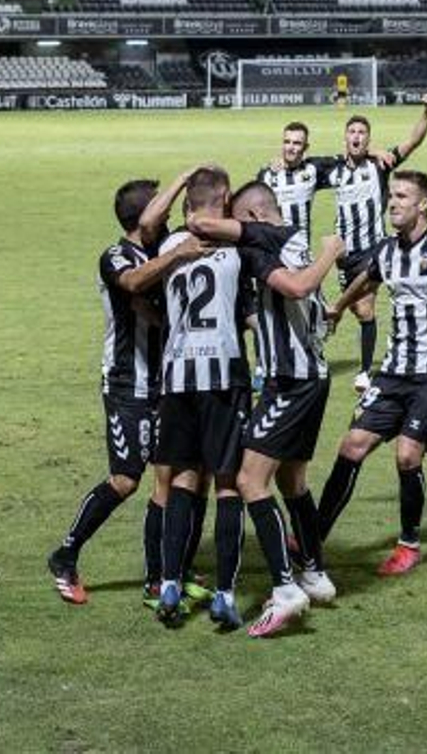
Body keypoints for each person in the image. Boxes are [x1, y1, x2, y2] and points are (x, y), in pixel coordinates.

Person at [316, 170, 427, 576]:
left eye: (401, 196)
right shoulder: (387, 249)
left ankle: (409, 544)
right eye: (391, 196)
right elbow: (367, 278)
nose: (392, 202)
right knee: (352, 445)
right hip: (395, 370)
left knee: (406, 454)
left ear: (424, 204)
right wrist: (340, 306)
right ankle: (314, 533)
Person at [187, 182, 345, 637]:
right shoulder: (293, 236)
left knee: (249, 480)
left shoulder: (260, 244)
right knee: (293, 481)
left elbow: (296, 287)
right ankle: (314, 572)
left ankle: (285, 588)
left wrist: (330, 253)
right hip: (312, 376)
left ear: (252, 219)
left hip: (289, 384)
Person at [45, 178, 206, 606]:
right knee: (125, 479)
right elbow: (133, 284)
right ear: (144, 216)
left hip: (164, 384)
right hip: (125, 385)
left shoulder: (156, 253)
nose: (167, 220)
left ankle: (163, 575)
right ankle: (65, 555)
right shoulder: (115, 255)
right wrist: (176, 255)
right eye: (162, 212)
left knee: (169, 477)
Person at [151, 167, 256, 631]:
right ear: (226, 198)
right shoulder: (236, 249)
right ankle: (226, 594)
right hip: (221, 375)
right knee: (228, 484)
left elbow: (153, 222)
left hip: (176, 376)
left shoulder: (166, 247)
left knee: (184, 479)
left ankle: (170, 581)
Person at [318, 95, 427, 392]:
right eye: (352, 132)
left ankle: (363, 371)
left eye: (362, 133)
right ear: (345, 137)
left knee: (365, 308)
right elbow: (297, 167)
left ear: (368, 138)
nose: (357, 137)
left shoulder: (380, 165)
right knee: (350, 308)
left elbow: (413, 142)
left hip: (374, 249)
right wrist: (279, 161)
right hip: (345, 253)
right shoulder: (331, 168)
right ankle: (321, 341)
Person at [254, 121, 333, 236]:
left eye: (296, 143)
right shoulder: (266, 175)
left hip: (302, 250)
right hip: (274, 250)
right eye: (287, 142)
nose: (290, 148)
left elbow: (345, 161)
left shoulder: (313, 170)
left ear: (306, 147)